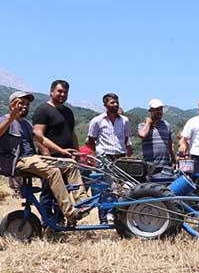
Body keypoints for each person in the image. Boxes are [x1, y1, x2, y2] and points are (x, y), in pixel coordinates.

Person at [0, 91, 89, 224]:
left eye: (27, 104)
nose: (25, 106)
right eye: (21, 103)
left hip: (32, 157)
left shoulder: (25, 124)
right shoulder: (5, 120)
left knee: (71, 164)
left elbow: (41, 139)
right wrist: (11, 117)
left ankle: (83, 202)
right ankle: (70, 212)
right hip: (18, 160)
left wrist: (61, 150)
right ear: (12, 104)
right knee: (53, 171)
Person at [32, 80, 81, 222]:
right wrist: (46, 154)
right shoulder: (43, 110)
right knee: (48, 192)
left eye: (65, 92)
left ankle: (59, 221)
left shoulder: (68, 112)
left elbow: (72, 134)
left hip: (66, 158)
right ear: (51, 91)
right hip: (50, 158)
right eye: (59, 91)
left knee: (63, 191)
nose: (62, 94)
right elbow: (38, 135)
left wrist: (77, 153)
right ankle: (47, 221)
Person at [87, 93, 133, 159]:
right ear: (105, 105)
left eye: (117, 102)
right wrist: (97, 152)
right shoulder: (97, 121)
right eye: (112, 103)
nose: (116, 104)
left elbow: (126, 139)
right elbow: (91, 140)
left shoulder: (125, 120)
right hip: (104, 157)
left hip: (120, 156)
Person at [138, 99, 176, 169]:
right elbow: (142, 135)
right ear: (150, 111)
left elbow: (171, 144)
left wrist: (173, 160)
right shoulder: (143, 125)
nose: (159, 111)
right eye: (156, 109)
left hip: (165, 165)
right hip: (149, 165)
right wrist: (148, 123)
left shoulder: (167, 125)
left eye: (160, 109)